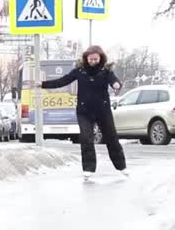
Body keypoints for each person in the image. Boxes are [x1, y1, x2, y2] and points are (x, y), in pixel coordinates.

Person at [40, 45, 127, 180]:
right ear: (86, 58)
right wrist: (43, 84)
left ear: (101, 58)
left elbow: (114, 81)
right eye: (90, 59)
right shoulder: (80, 71)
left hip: (103, 110)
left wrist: (116, 85)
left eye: (95, 59)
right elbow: (62, 81)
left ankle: (121, 166)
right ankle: (88, 169)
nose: (93, 62)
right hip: (84, 111)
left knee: (111, 137)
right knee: (86, 138)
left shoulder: (106, 71)